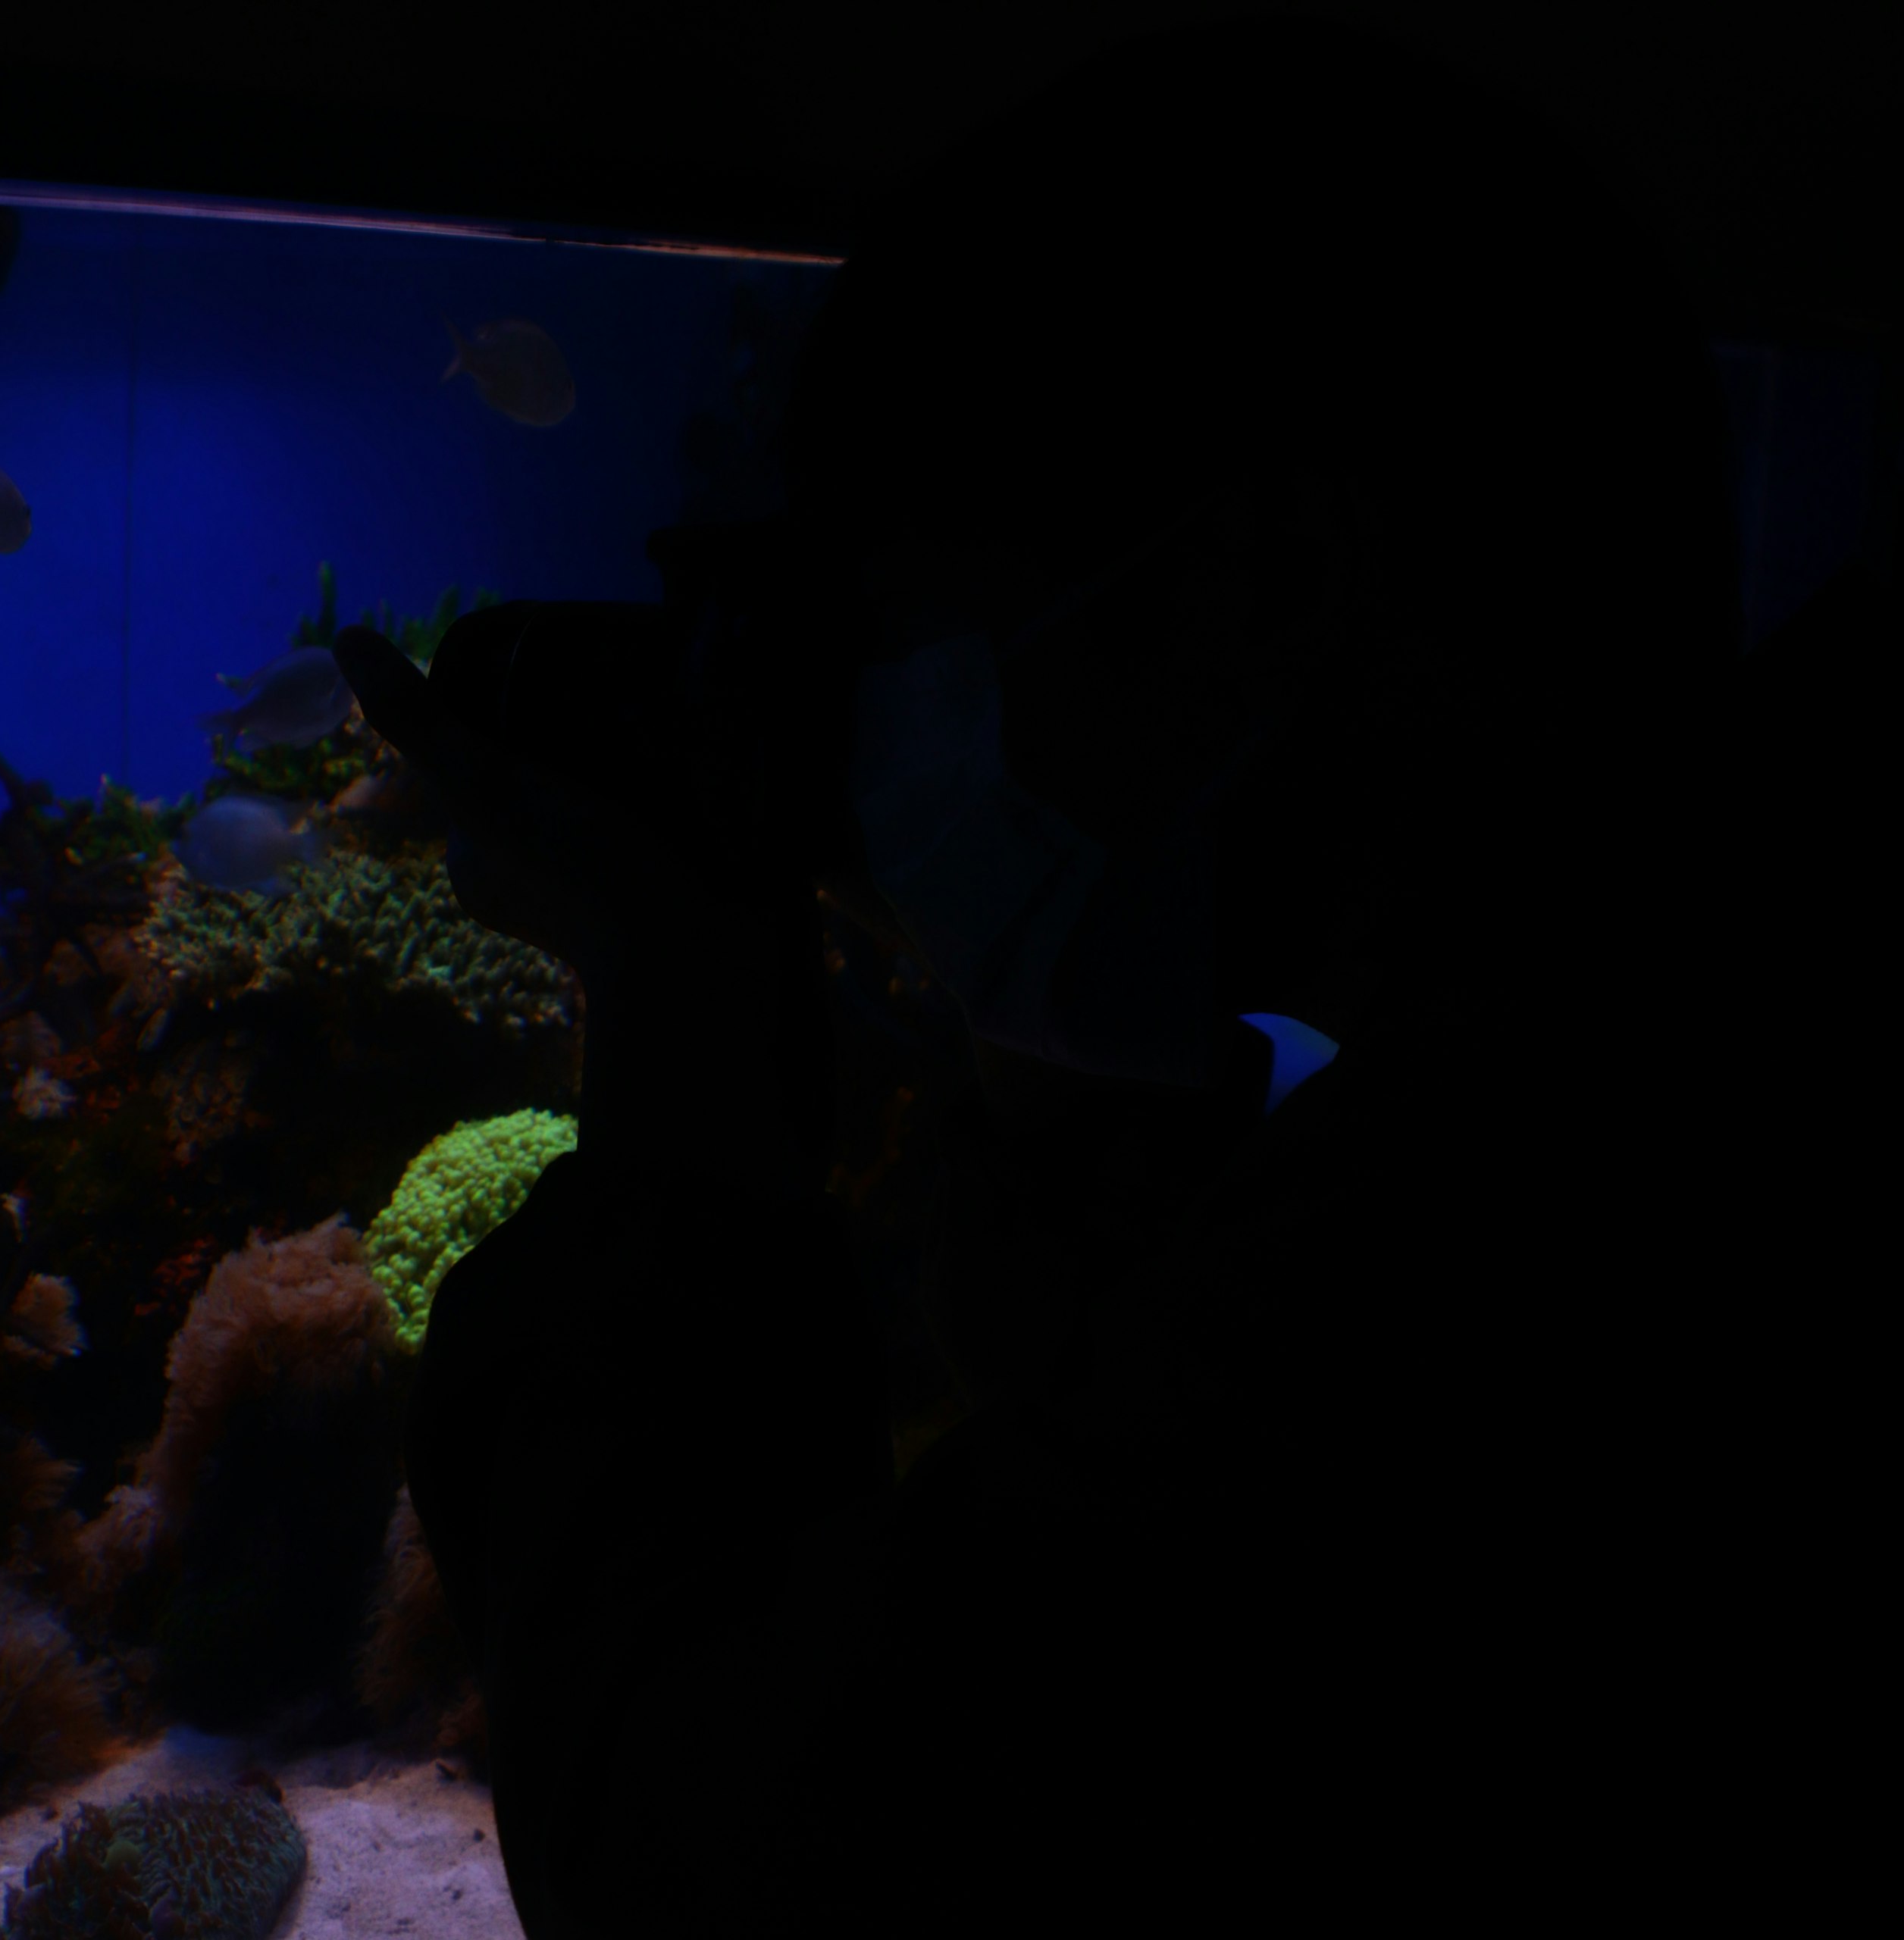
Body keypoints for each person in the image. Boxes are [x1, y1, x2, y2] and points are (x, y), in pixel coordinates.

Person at [331, 13, 1761, 1929]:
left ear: (1256, 588)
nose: (879, 753)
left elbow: (737, 1859)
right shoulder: (1593, 1053)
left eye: (918, 637)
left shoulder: (1474, 1257)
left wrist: (686, 1066)